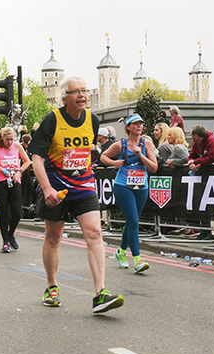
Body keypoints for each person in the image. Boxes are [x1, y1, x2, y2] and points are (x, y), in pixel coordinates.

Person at [28, 76, 124, 314]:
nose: (82, 95)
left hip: (83, 184)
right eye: (76, 92)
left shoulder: (92, 119)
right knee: (54, 236)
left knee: (94, 231)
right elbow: (37, 158)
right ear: (64, 98)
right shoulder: (52, 120)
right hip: (56, 186)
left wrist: (83, 164)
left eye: (85, 90)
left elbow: (85, 149)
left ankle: (100, 293)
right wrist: (47, 188)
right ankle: (51, 286)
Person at [100, 114, 157, 273]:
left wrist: (140, 155)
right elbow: (103, 157)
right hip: (123, 186)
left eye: (141, 124)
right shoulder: (121, 145)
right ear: (128, 127)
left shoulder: (147, 144)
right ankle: (137, 259)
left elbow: (154, 167)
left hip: (142, 187)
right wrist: (114, 163)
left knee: (133, 221)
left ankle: (121, 252)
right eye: (135, 124)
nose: (139, 126)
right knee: (133, 220)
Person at [0, 127, 31, 252]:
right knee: (4, 213)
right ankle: (5, 241)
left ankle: (10, 234)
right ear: (1, 138)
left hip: (15, 182)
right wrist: (0, 169)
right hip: (1, 183)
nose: (9, 143)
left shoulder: (17, 146)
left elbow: (27, 161)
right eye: (7, 140)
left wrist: (19, 172)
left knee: (17, 212)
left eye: (11, 139)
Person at [188, 124, 214, 240]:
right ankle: (205, 231)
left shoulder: (212, 141)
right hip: (205, 176)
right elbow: (191, 156)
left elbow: (213, 158)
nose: (190, 137)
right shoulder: (196, 143)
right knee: (202, 204)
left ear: (196, 135)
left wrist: (196, 161)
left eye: (191, 135)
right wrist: (191, 162)